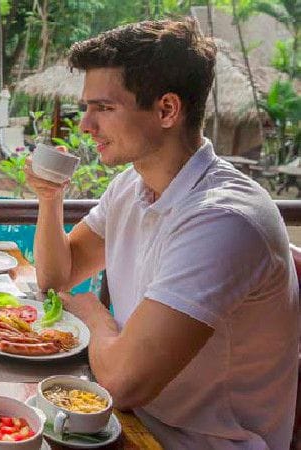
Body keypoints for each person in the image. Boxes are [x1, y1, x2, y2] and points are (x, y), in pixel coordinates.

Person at [26, 19, 299, 449]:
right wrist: (49, 198)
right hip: (132, 420)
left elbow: (122, 380)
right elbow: (57, 278)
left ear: (167, 110)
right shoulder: (132, 187)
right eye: (87, 108)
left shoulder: (223, 221)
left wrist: (93, 315)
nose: (85, 126)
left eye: (104, 108)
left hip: (194, 441)